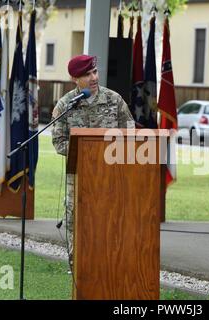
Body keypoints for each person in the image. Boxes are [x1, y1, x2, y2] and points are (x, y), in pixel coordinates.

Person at [51, 54, 134, 263]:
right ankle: (77, 265)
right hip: (78, 176)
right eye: (87, 75)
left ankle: (109, 263)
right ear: (75, 79)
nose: (94, 78)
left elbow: (131, 133)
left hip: (110, 175)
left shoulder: (114, 100)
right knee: (75, 221)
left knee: (110, 219)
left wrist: (111, 152)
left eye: (95, 72)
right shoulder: (65, 105)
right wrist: (87, 152)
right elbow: (59, 142)